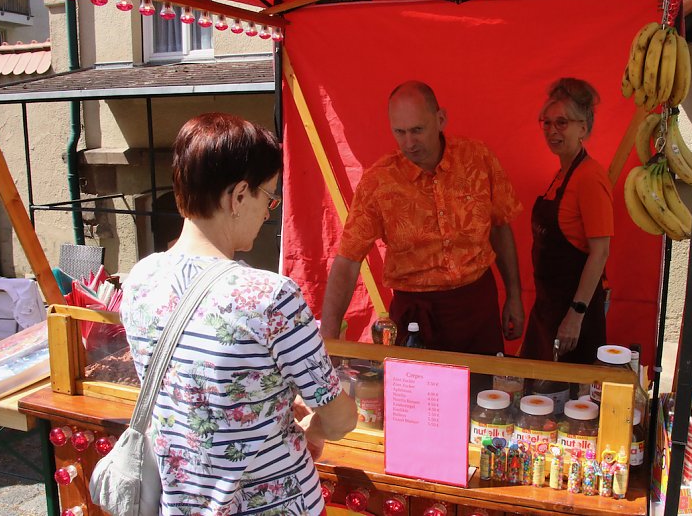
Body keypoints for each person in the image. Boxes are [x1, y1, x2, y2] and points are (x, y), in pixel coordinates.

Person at [121, 113, 357, 516]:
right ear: (239, 196)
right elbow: (338, 418)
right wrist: (313, 429)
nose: (269, 213)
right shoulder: (270, 297)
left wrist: (271, 402)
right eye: (270, 197)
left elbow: (192, 395)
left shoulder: (140, 281)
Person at [321, 81, 525, 355]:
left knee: (483, 395)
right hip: (416, 318)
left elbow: (500, 226)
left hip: (477, 307)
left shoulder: (478, 159)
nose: (409, 142)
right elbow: (347, 261)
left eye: (417, 130)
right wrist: (328, 340)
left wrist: (514, 295)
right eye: (399, 132)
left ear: (440, 119)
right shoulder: (378, 183)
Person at [521, 78, 613, 365]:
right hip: (549, 307)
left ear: (583, 127)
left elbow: (600, 252)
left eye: (562, 123)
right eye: (546, 123)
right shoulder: (562, 175)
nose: (552, 131)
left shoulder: (589, 178)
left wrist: (576, 315)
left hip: (573, 313)